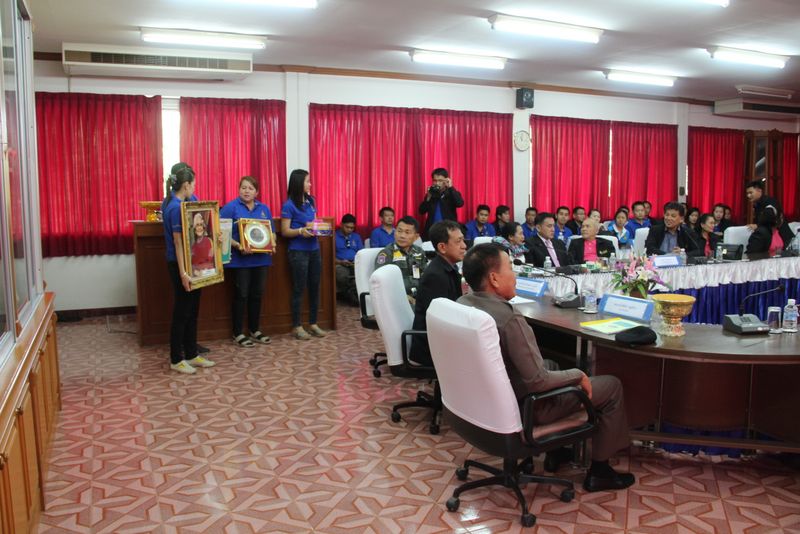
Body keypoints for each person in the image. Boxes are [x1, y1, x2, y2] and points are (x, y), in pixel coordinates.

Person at [458, 244, 635, 492]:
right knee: (612, 386)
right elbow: (538, 381)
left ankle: (556, 452)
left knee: (552, 363)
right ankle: (600, 471)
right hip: (528, 405)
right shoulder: (509, 319)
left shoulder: (463, 303)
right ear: (494, 279)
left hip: (486, 400)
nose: (515, 276)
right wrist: (578, 375)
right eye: (510, 268)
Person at [161, 163, 216, 374]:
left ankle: (192, 354)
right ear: (185, 185)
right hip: (180, 264)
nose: (194, 187)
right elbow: (178, 243)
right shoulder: (175, 207)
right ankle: (176, 358)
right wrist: (184, 273)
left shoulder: (182, 201)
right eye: (193, 184)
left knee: (192, 310)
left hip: (192, 263)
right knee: (182, 312)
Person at [220, 176, 274, 348]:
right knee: (241, 295)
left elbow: (271, 232)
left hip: (261, 260)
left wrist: (272, 244)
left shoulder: (264, 208)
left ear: (256, 192)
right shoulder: (230, 208)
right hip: (240, 260)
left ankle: (254, 330)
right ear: (238, 189)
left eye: (250, 188)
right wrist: (238, 245)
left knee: (257, 295)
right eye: (243, 187)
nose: (246, 191)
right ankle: (237, 332)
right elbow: (221, 232)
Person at [409, 221, 467, 366]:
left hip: (442, 341)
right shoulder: (435, 276)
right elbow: (441, 321)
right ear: (442, 247)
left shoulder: (448, 267)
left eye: (463, 240)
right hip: (432, 350)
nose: (464, 246)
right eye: (458, 241)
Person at [281, 169, 327, 341]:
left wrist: (317, 227)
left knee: (315, 286)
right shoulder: (288, 205)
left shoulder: (311, 200)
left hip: (314, 249)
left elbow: (313, 222)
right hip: (298, 251)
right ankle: (297, 326)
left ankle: (313, 323)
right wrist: (301, 230)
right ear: (298, 183)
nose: (310, 184)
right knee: (299, 288)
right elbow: (285, 231)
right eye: (307, 181)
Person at [374, 215, 428, 304]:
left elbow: (425, 276)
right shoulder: (386, 253)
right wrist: (401, 296)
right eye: (399, 231)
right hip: (397, 298)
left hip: (419, 295)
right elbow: (381, 281)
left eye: (407, 232)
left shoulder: (419, 252)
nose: (402, 236)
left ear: (416, 237)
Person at [419, 167, 464, 237]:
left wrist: (451, 187)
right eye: (435, 180)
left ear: (446, 180)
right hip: (432, 230)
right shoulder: (431, 194)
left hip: (448, 231)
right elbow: (421, 211)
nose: (437, 183)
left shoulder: (452, 193)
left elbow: (460, 203)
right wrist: (428, 198)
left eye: (440, 180)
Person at [334, 213, 364, 305]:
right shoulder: (334, 236)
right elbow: (329, 256)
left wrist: (357, 261)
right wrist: (340, 262)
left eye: (352, 228)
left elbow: (362, 252)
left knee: (363, 274)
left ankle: (356, 297)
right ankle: (350, 297)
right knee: (342, 275)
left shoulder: (356, 236)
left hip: (355, 263)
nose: (350, 230)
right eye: (347, 227)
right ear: (341, 225)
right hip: (340, 263)